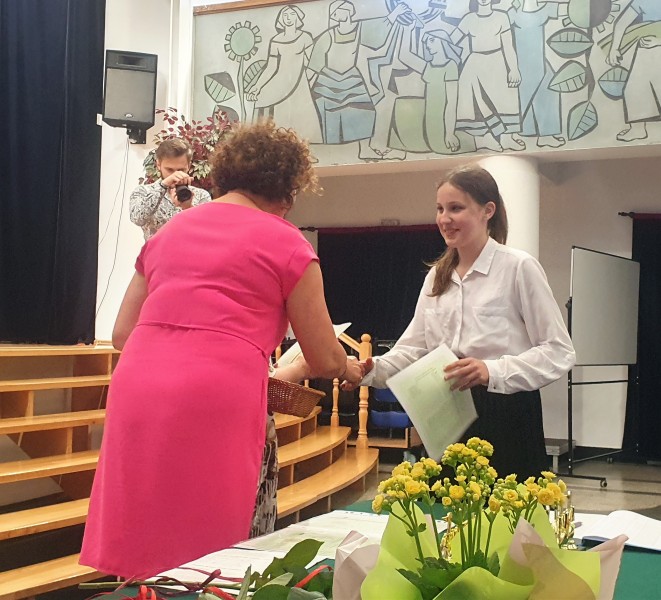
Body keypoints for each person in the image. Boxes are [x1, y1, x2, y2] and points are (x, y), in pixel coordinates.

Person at [80, 121, 364, 579]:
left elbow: (123, 334)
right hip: (217, 390)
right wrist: (348, 368)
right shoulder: (287, 242)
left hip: (139, 384)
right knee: (210, 548)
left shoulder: (169, 232)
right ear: (287, 191)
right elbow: (324, 356)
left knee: (143, 532)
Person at [344, 165, 575, 479]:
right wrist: (370, 369)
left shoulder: (518, 267)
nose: (444, 219)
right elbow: (413, 350)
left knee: (509, 508)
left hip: (506, 412)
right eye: (440, 209)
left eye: (455, 208)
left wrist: (490, 370)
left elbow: (559, 351)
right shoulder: (436, 277)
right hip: (448, 410)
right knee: (448, 505)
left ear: (487, 210)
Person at [129, 138, 211, 240]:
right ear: (158, 165)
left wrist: (188, 208)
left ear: (189, 166)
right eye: (169, 170)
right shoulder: (143, 192)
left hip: (189, 250)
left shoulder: (201, 195)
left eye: (181, 169)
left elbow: (206, 232)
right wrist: (164, 185)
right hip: (157, 250)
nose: (175, 175)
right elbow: (137, 219)